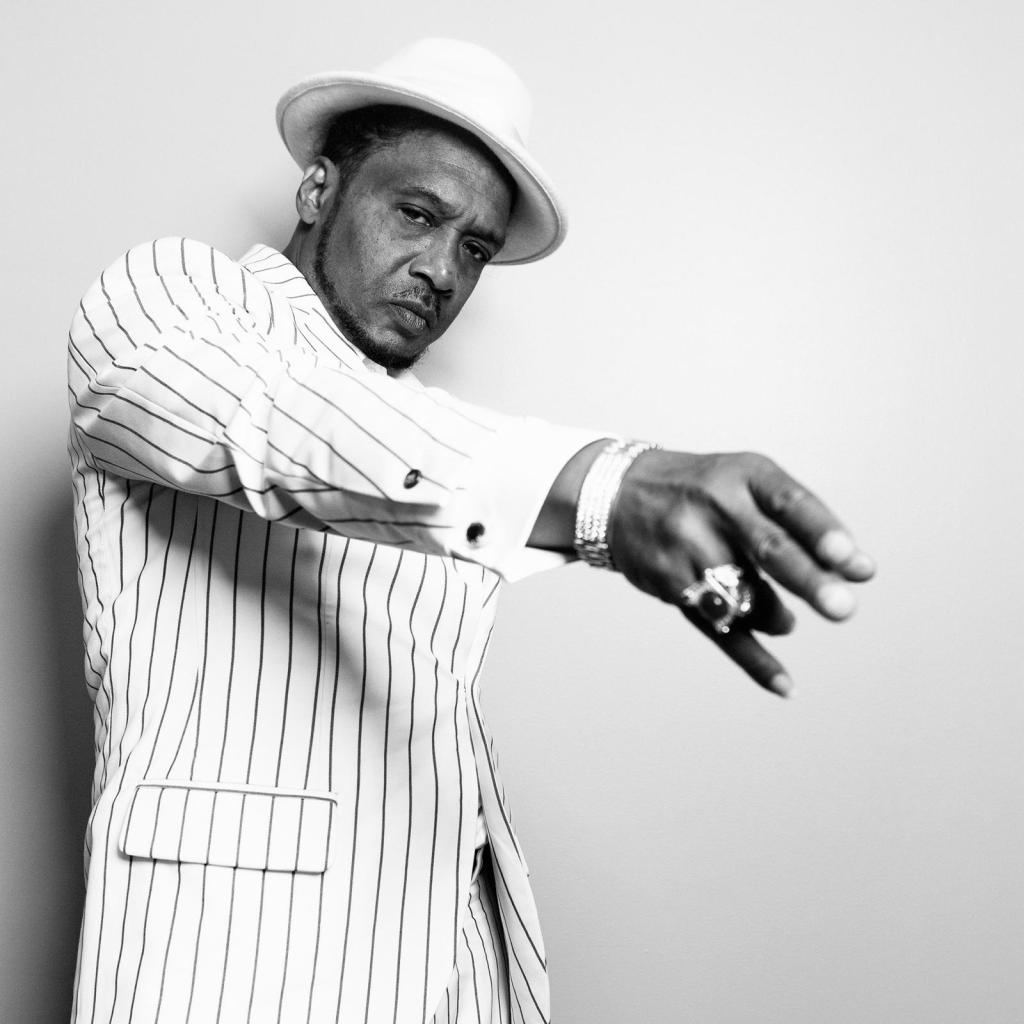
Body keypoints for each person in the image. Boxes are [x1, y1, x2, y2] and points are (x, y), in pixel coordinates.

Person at [66, 38, 874, 1024]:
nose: (443, 269)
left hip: (438, 972)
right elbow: (277, 424)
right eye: (416, 214)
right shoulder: (171, 303)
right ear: (318, 189)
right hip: (230, 970)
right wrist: (605, 487)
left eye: (476, 248)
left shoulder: (423, 425)